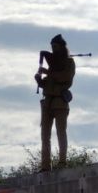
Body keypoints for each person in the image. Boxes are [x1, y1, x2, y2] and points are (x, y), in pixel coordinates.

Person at [34, 34, 76, 172]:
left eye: (55, 46)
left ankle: (62, 162)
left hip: (60, 102)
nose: (53, 49)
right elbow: (47, 84)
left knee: (60, 132)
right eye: (52, 47)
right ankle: (45, 166)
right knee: (45, 136)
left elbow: (66, 78)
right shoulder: (52, 65)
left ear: (62, 47)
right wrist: (39, 80)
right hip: (47, 103)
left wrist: (49, 72)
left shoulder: (69, 63)